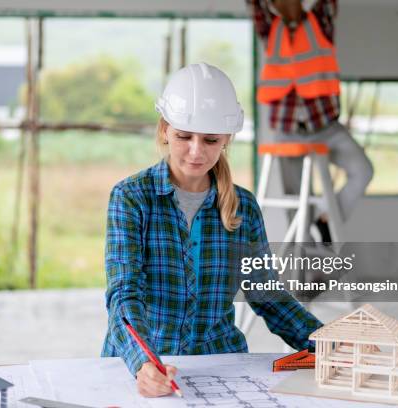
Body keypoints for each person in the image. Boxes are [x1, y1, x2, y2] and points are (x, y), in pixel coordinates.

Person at [101, 63, 322, 397]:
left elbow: (267, 294)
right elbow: (124, 292)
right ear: (164, 130)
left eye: (210, 140)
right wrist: (143, 363)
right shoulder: (131, 198)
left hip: (222, 365)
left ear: (227, 139)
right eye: (183, 136)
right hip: (147, 365)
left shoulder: (243, 207)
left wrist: (326, 342)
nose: (196, 151)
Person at [247, 0, 374, 242]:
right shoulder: (271, 28)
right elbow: (255, 6)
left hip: (327, 127)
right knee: (296, 200)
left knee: (363, 170)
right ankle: (307, 262)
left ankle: (324, 225)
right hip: (288, 130)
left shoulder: (320, 22)